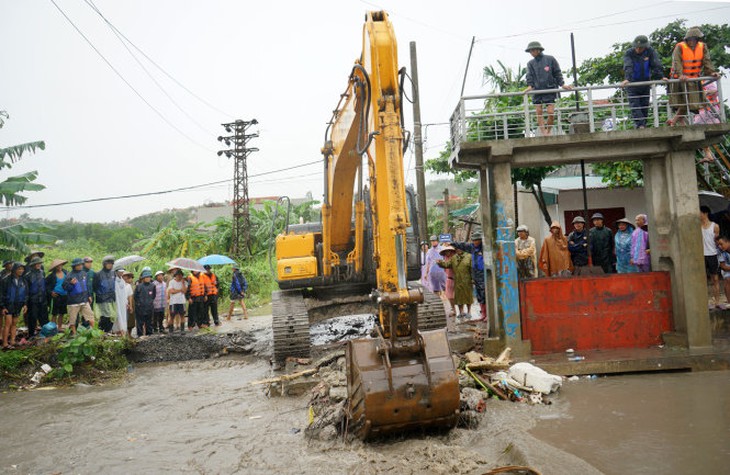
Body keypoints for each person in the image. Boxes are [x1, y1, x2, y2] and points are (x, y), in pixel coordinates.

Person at [668, 26, 719, 126]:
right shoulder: (680, 46)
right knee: (683, 101)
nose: (692, 41)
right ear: (687, 39)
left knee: (694, 102)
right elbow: (677, 62)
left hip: (694, 79)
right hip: (681, 79)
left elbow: (707, 61)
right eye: (691, 39)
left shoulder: (702, 46)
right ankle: (675, 121)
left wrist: (711, 72)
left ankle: (675, 120)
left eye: (695, 39)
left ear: (697, 39)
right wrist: (680, 75)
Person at [524, 41, 572, 136]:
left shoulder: (550, 59)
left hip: (550, 88)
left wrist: (562, 84)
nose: (531, 53)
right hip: (537, 90)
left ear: (538, 50)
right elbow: (529, 75)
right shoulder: (530, 63)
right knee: (539, 112)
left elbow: (557, 72)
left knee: (550, 112)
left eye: (533, 50)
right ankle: (544, 132)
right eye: (530, 51)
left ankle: (548, 131)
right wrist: (530, 86)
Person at [621, 35, 666, 129]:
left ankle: (643, 125)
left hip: (645, 83)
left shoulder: (650, 52)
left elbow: (655, 64)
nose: (638, 49)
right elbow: (628, 66)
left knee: (644, 106)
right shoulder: (629, 53)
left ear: (645, 47)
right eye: (636, 47)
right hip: (632, 84)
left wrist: (661, 76)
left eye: (640, 47)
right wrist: (627, 79)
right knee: (635, 105)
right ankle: (640, 125)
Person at [453, 231, 487, 322]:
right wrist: (452, 243)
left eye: (477, 240)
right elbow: (462, 245)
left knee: (485, 294)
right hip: (476, 273)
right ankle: (483, 313)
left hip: (484, 273)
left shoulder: (485, 248)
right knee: (479, 294)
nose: (475, 242)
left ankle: (488, 314)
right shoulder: (471, 247)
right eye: (474, 240)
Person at [437, 247, 473, 320]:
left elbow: (472, 268)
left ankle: (469, 312)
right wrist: (440, 263)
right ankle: (461, 312)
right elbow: (447, 264)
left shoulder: (469, 256)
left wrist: (473, 278)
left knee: (468, 296)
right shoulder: (454, 258)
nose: (458, 250)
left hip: (467, 279)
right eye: (457, 249)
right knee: (459, 297)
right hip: (457, 280)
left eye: (460, 249)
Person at [63, 258, 95, 335]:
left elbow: (86, 286)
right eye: (79, 265)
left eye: (81, 264)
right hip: (74, 301)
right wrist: (71, 283)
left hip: (84, 299)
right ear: (74, 266)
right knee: (73, 320)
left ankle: (92, 332)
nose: (80, 266)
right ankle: (74, 334)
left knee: (90, 317)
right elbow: (65, 287)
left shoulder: (84, 273)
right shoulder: (69, 275)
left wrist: (89, 295)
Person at [1, 262, 28, 349]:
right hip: (8, 304)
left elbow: (25, 293)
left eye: (22, 269)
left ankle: (12, 341)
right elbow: (1, 294)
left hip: (18, 304)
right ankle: (5, 343)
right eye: (19, 269)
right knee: (8, 324)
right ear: (14, 269)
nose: (21, 270)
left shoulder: (23, 280)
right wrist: (3, 307)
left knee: (14, 323)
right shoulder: (6, 280)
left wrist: (25, 304)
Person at [701, 205, 721, 308]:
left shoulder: (715, 226)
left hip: (713, 254)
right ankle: (705, 302)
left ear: (705, 213)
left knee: (715, 279)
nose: (699, 215)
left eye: (700, 213)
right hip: (702, 255)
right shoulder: (698, 226)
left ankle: (717, 301)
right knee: (703, 280)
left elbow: (718, 243)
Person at [24, 256, 48, 339]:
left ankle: (46, 334)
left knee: (44, 317)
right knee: (32, 318)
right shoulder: (28, 275)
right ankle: (31, 335)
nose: (38, 265)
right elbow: (26, 290)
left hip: (43, 299)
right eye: (37, 263)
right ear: (33, 265)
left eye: (40, 263)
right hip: (32, 300)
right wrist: (26, 303)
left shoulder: (42, 273)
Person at [93, 255, 116, 333]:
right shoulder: (98, 274)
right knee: (106, 316)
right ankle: (102, 331)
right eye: (108, 263)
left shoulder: (113, 273)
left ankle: (107, 331)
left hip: (112, 297)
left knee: (113, 316)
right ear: (104, 264)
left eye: (111, 263)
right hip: (102, 298)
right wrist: (100, 295)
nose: (110, 265)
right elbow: (94, 287)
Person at [45, 259, 68, 331]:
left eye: (60, 265)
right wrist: (51, 292)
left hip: (64, 295)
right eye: (57, 266)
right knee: (54, 313)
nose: (59, 267)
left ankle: (60, 327)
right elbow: (45, 285)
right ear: (55, 267)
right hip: (56, 296)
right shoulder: (51, 276)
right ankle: (53, 328)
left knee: (62, 312)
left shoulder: (66, 273)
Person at [134, 269, 156, 337]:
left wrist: (150, 302)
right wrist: (139, 304)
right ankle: (140, 334)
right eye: (146, 277)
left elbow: (153, 296)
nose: (148, 278)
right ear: (143, 278)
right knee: (140, 322)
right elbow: (135, 296)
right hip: (140, 307)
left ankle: (149, 333)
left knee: (149, 322)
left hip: (149, 307)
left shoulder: (153, 286)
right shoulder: (139, 286)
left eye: (149, 277)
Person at [439, 245, 457, 319]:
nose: (447, 253)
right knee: (449, 296)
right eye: (446, 251)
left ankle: (461, 311)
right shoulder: (445, 258)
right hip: (449, 278)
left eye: (448, 251)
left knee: (457, 296)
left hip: (456, 278)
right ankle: (453, 309)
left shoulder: (455, 258)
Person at [113, 268, 129, 336]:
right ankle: (117, 331)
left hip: (123, 301)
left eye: (122, 272)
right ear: (116, 272)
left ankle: (123, 330)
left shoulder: (122, 281)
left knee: (123, 315)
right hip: (117, 301)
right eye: (120, 272)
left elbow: (125, 293)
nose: (121, 273)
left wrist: (126, 302)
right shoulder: (114, 280)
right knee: (117, 315)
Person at [122, 271, 135, 336]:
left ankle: (128, 334)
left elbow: (130, 296)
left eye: (127, 276)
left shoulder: (128, 286)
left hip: (127, 304)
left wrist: (130, 305)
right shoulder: (119, 284)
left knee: (129, 319)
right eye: (124, 276)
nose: (125, 278)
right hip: (121, 305)